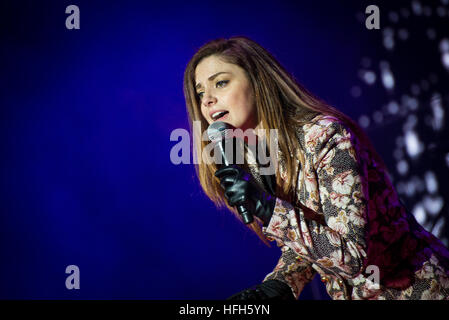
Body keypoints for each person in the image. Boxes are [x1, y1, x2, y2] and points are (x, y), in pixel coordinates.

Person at [182, 36, 449, 300]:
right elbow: (312, 235)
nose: (207, 100)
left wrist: (267, 208)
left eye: (221, 83)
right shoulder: (255, 159)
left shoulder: (326, 136)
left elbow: (354, 256)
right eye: (200, 92)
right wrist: (277, 287)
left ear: (257, 81)